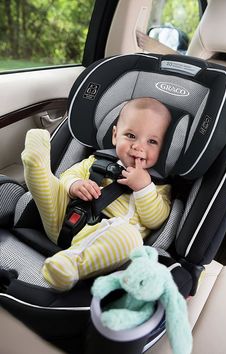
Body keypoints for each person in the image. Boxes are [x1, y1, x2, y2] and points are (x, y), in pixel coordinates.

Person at [21, 97, 172, 291]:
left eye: (152, 141)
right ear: (115, 135)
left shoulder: (158, 186)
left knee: (131, 239)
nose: (139, 146)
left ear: (163, 149)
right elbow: (69, 174)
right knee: (54, 185)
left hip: (104, 246)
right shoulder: (96, 161)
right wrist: (75, 184)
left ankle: (70, 265)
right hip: (63, 219)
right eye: (131, 136)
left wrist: (143, 187)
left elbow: (156, 220)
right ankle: (36, 164)